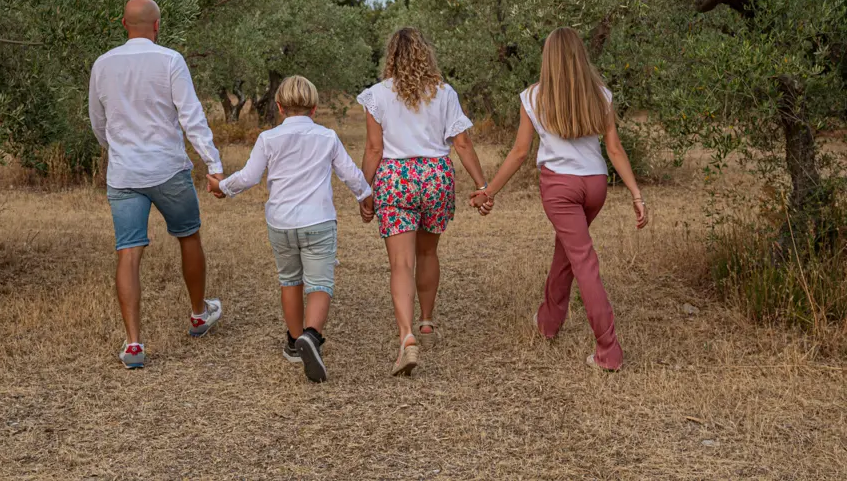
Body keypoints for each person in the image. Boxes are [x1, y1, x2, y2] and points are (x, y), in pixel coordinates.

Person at [470, 27, 649, 371]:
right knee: (567, 251)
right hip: (595, 185)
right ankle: (548, 322)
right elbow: (614, 149)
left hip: (560, 188)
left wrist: (489, 191)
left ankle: (608, 351)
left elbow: (520, 152)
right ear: (580, 56)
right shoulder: (601, 94)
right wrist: (636, 194)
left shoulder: (532, 97)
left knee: (583, 261)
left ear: (547, 58)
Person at [208, 76, 374, 383]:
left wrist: (223, 187)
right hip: (318, 221)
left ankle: (294, 341)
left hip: (281, 223)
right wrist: (365, 197)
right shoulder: (327, 137)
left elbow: (249, 176)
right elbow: (350, 173)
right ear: (314, 108)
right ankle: (312, 336)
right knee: (320, 283)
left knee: (290, 280)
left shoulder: (268, 139)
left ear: (280, 107)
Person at [89, 0, 225, 370]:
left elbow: (97, 122)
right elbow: (191, 117)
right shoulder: (169, 60)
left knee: (128, 252)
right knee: (189, 236)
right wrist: (213, 164)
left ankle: (133, 344)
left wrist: (118, 148)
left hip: (124, 173)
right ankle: (198, 314)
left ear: (123, 23)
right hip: (168, 168)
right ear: (157, 26)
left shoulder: (102, 64)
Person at [358, 28, 488, 376]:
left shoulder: (375, 96)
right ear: (425, 55)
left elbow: (374, 149)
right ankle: (427, 322)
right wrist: (482, 184)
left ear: (391, 57)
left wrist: (364, 190)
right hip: (435, 177)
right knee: (428, 253)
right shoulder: (444, 93)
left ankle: (407, 336)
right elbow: (461, 143)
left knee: (401, 263)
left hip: (395, 179)